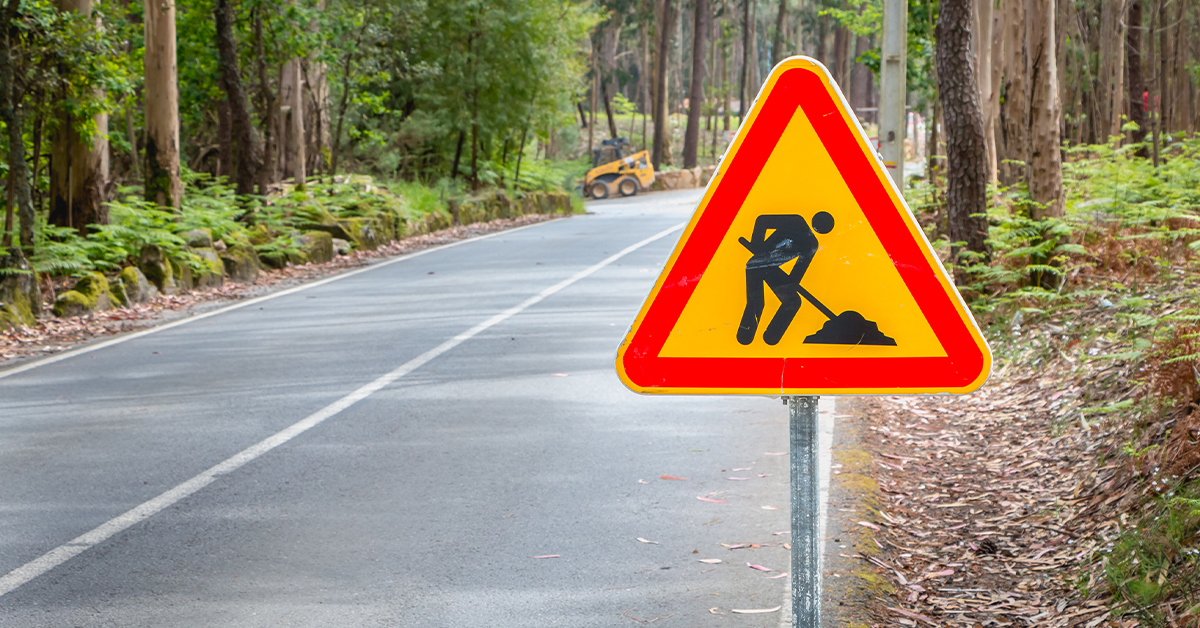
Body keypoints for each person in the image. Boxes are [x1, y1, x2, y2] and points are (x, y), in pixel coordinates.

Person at [736, 212, 834, 345]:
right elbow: (762, 220)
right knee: (757, 302)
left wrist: (790, 284)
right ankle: (744, 337)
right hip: (756, 265)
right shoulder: (796, 221)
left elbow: (797, 273)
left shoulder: (811, 244)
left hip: (770, 270)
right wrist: (757, 244)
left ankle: (771, 338)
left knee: (792, 302)